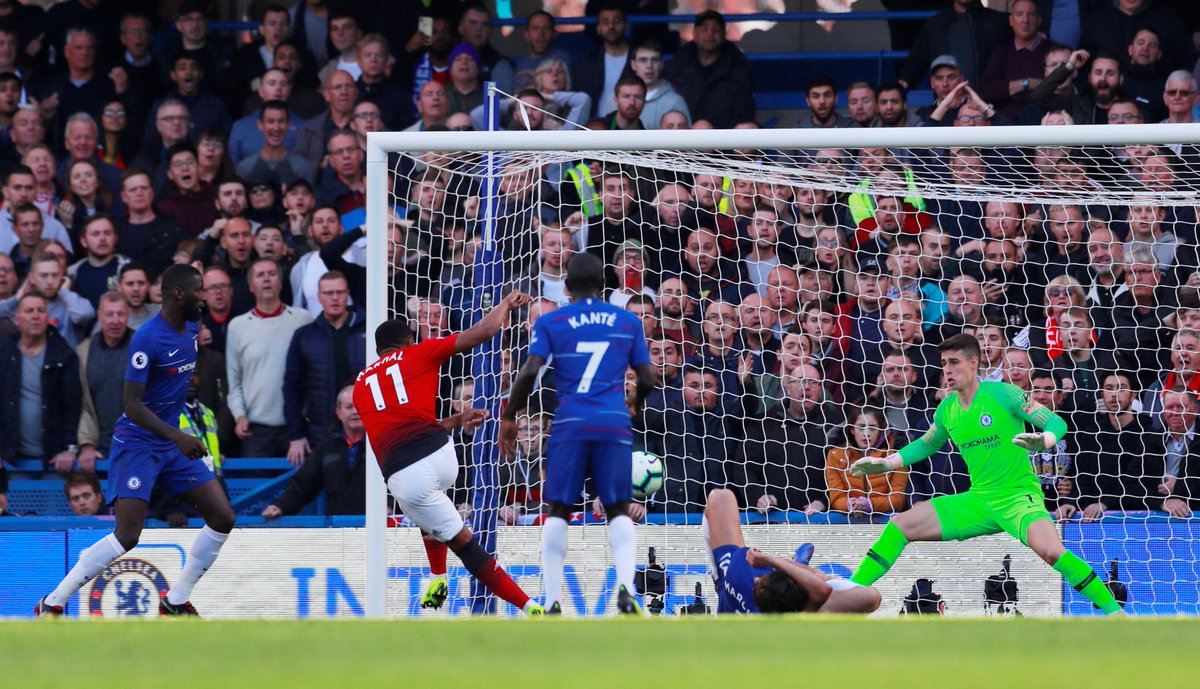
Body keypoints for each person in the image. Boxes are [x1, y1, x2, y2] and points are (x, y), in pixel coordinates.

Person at [848, 333, 1124, 615]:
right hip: (979, 500)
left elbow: (1055, 422)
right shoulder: (946, 409)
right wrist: (888, 463)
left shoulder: (1005, 394)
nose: (947, 370)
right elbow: (927, 443)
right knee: (899, 526)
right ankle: (846, 595)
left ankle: (1116, 614)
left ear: (973, 363)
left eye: (954, 362)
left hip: (1018, 497)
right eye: (944, 363)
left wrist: (1046, 440)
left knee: (1053, 552)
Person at [36, 264, 236, 617]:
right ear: (178, 294)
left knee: (222, 517)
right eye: (199, 291)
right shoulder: (146, 338)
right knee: (127, 535)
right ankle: (53, 601)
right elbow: (131, 404)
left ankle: (176, 600)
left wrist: (177, 434)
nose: (204, 298)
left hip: (171, 443)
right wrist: (178, 435)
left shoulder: (193, 327)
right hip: (138, 443)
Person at [353, 290, 543, 616]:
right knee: (430, 510)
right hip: (442, 454)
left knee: (465, 545)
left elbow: (397, 434)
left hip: (406, 474)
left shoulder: (360, 386)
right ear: (409, 340)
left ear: (376, 351)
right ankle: (438, 577)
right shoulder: (419, 352)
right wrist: (504, 305)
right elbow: (483, 332)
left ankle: (530, 608)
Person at [500, 252, 656, 614]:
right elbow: (647, 378)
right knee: (617, 507)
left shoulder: (552, 322)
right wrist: (634, 404)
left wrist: (509, 416)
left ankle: (553, 600)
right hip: (612, 422)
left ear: (566, 287)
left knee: (558, 508)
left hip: (569, 422)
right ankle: (626, 590)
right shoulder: (626, 321)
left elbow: (529, 371)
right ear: (603, 285)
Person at [702, 488, 882, 614]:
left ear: (757, 579)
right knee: (848, 591)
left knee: (720, 497)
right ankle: (799, 566)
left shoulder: (740, 570)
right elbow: (871, 596)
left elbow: (820, 586)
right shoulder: (808, 612)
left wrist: (775, 561)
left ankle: (799, 565)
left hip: (729, 587)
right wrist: (777, 562)